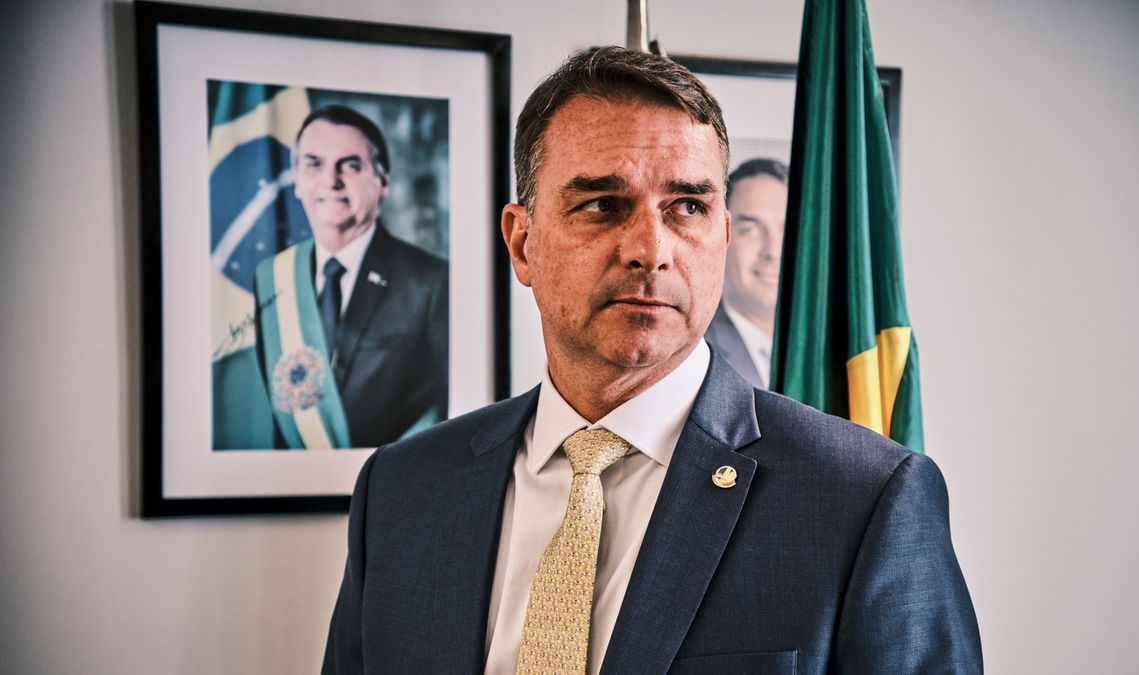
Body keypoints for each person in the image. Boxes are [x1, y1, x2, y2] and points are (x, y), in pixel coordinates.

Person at [322, 48, 981, 673]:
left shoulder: (863, 499)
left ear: (720, 236)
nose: (650, 249)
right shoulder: (402, 491)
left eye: (687, 206)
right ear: (522, 244)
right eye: (603, 205)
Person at [254, 105, 448, 450]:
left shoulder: (431, 281)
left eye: (351, 165)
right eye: (314, 164)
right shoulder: (271, 277)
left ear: (383, 182)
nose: (331, 180)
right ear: (296, 179)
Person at [704, 158, 788, 388]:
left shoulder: (835, 352)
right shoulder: (694, 353)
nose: (773, 251)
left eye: (787, 230)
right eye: (750, 230)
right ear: (723, 237)